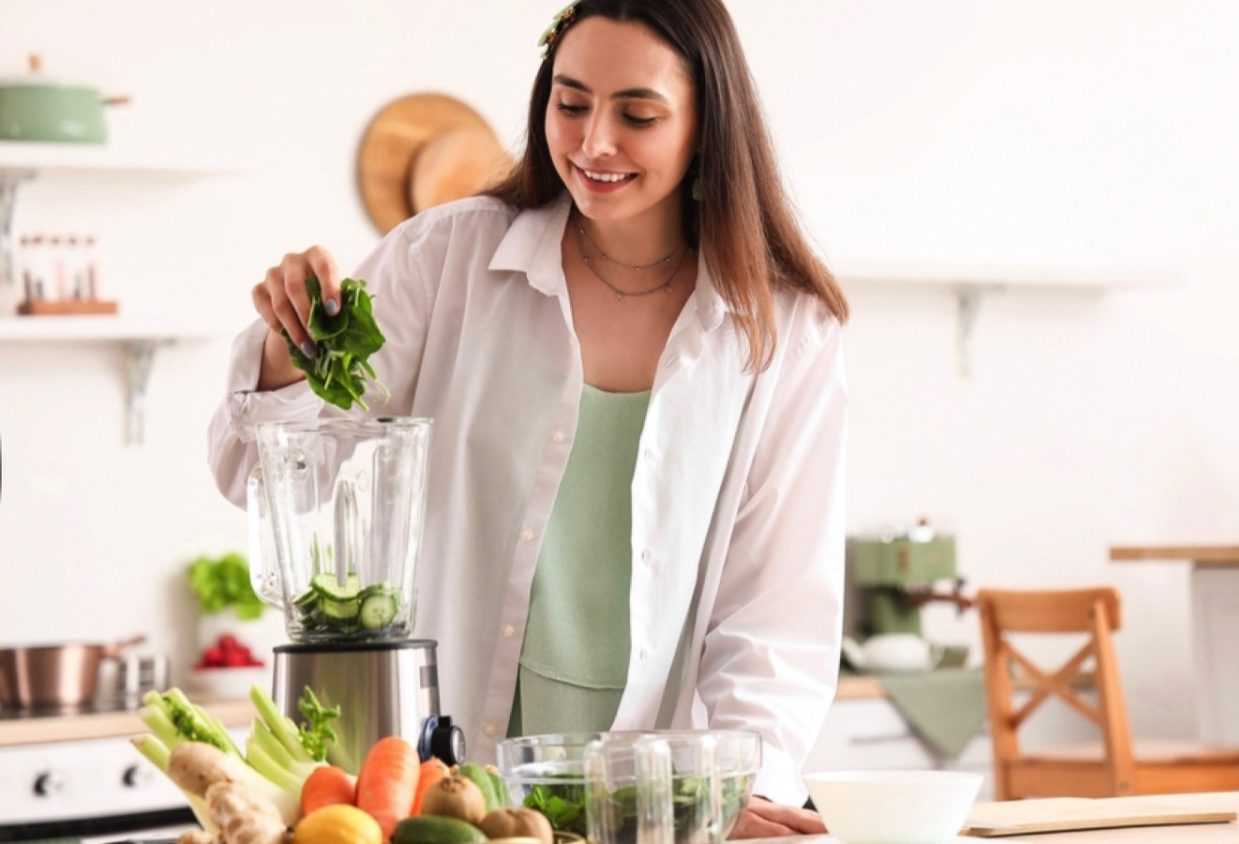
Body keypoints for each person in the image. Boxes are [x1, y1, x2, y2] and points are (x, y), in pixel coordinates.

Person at [208, 0, 848, 836]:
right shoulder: (449, 260)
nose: (593, 144)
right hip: (451, 800)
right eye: (571, 103)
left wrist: (725, 796)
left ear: (708, 125)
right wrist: (290, 345)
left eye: (638, 115)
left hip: (655, 809)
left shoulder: (785, 328)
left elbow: (776, 616)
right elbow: (255, 471)